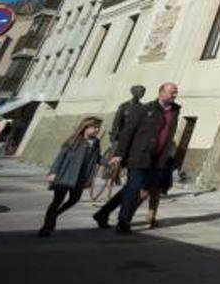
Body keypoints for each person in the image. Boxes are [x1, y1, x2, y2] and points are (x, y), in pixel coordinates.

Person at [93, 82, 180, 234]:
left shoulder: (174, 112)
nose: (174, 95)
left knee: (131, 189)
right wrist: (119, 154)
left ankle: (102, 213)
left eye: (175, 92)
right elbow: (128, 132)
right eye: (172, 92)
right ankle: (123, 223)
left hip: (158, 159)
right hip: (138, 156)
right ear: (161, 92)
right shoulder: (144, 109)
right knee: (134, 189)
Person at [37, 117, 104, 236]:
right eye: (95, 127)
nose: (97, 130)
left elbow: (98, 158)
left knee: (74, 199)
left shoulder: (96, 142)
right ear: (86, 127)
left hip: (81, 176)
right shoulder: (74, 140)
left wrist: (109, 162)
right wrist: (53, 172)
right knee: (57, 201)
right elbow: (60, 157)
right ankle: (46, 226)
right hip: (65, 175)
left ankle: (55, 215)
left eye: (98, 127)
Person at [110, 85, 146, 150]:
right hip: (121, 138)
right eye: (140, 92)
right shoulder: (124, 106)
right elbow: (116, 121)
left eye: (143, 92)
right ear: (134, 92)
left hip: (133, 139)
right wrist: (113, 135)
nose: (142, 94)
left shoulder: (142, 108)